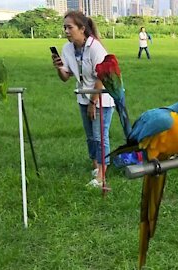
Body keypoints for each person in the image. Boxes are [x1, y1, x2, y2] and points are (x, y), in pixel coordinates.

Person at [51, 10, 115, 188]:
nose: (66, 31)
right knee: (90, 137)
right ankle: (96, 168)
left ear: (82, 28)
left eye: (69, 27)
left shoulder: (95, 48)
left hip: (102, 98)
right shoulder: (67, 48)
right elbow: (66, 77)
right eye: (64, 27)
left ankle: (102, 176)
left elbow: (102, 77)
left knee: (100, 136)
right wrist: (58, 68)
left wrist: (93, 103)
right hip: (83, 97)